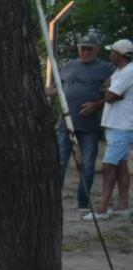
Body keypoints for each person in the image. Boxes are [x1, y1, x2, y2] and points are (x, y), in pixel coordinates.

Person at [54, 33, 114, 213]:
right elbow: (56, 88)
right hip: (65, 122)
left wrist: (97, 105)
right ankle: (53, 199)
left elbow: (115, 95)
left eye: (89, 48)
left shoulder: (107, 68)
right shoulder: (68, 66)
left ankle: (83, 201)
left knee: (88, 164)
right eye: (82, 48)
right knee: (60, 161)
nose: (85, 51)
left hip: (90, 125)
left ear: (97, 49)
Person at [93, 38, 133, 220]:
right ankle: (122, 206)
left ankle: (102, 208)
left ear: (119, 55)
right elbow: (106, 88)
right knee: (121, 165)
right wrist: (110, 90)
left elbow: (111, 96)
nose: (110, 54)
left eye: (112, 52)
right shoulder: (120, 71)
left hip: (122, 125)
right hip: (115, 123)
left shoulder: (129, 72)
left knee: (108, 165)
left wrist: (110, 91)